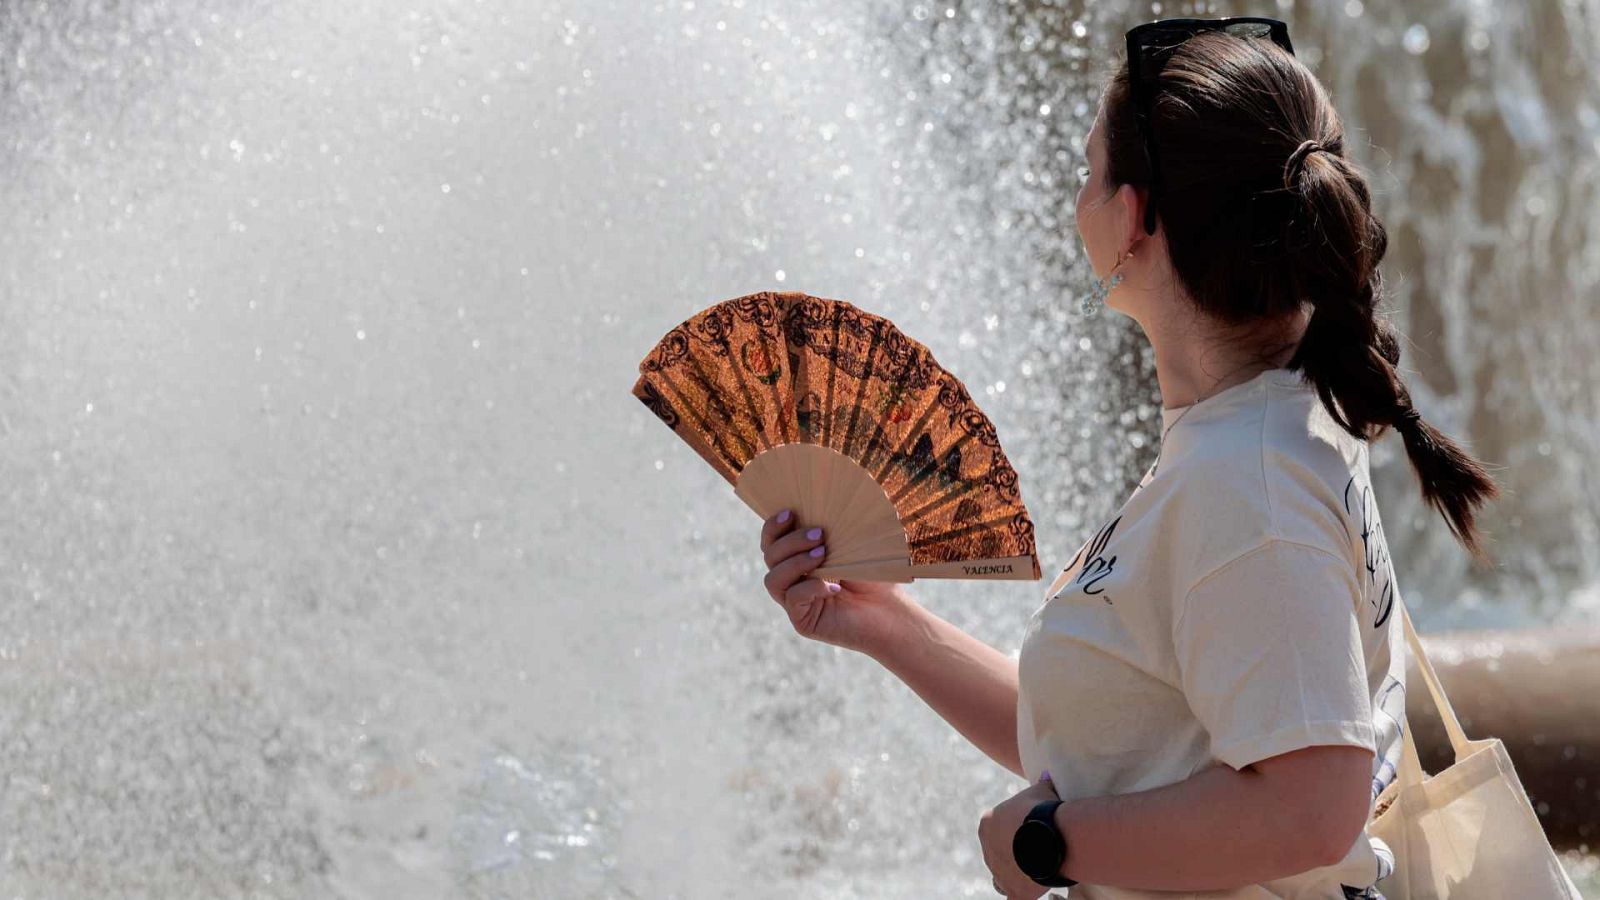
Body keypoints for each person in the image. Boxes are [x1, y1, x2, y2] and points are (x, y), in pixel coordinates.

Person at [757, 16, 1500, 900]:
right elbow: (1123, 750)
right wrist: (888, 625)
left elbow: (1311, 807)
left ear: (1134, 217)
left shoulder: (1248, 483)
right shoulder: (1256, 433)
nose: (1076, 196)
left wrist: (1050, 844)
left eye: (1088, 169)